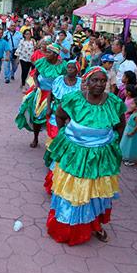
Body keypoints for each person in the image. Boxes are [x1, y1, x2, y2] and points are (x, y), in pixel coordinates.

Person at [45, 66, 126, 245]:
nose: (99, 84)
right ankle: (68, 227)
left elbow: (121, 124)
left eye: (103, 81)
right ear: (87, 82)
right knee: (74, 191)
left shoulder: (113, 102)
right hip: (75, 154)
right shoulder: (74, 99)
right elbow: (59, 115)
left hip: (101, 156)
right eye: (95, 80)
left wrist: (114, 143)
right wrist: (63, 135)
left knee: (96, 191)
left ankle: (95, 224)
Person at [16, 44, 67, 148]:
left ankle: (54, 142)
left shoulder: (63, 65)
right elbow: (35, 75)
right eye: (46, 51)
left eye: (49, 52)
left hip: (56, 96)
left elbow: (66, 80)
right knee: (37, 116)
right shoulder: (41, 62)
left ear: (56, 54)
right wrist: (37, 85)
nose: (46, 54)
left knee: (56, 118)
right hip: (41, 93)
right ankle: (35, 137)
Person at [43, 60, 82, 194]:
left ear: (78, 70)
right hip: (56, 114)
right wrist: (48, 108)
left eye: (73, 67)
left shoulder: (81, 83)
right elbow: (50, 95)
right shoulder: (59, 80)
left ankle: (58, 165)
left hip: (72, 117)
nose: (70, 69)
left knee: (66, 141)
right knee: (55, 138)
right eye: (68, 67)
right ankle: (51, 161)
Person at [119, 98, 137, 166]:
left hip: (132, 131)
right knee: (126, 144)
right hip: (128, 129)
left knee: (130, 146)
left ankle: (131, 159)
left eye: (133, 104)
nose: (131, 105)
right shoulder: (134, 112)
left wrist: (132, 132)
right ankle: (126, 157)